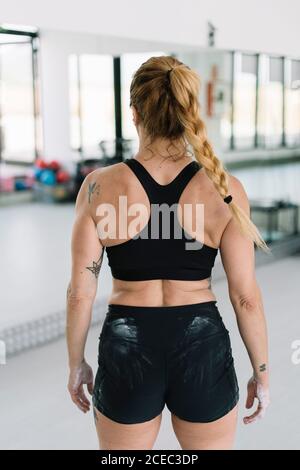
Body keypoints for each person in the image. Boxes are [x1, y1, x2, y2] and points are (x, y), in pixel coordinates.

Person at [66, 56, 270, 450]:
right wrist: (261, 370)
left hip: (127, 344)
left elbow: (79, 293)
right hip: (201, 343)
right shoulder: (225, 187)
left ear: (135, 113)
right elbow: (245, 296)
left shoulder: (99, 186)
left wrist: (76, 365)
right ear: (189, 111)